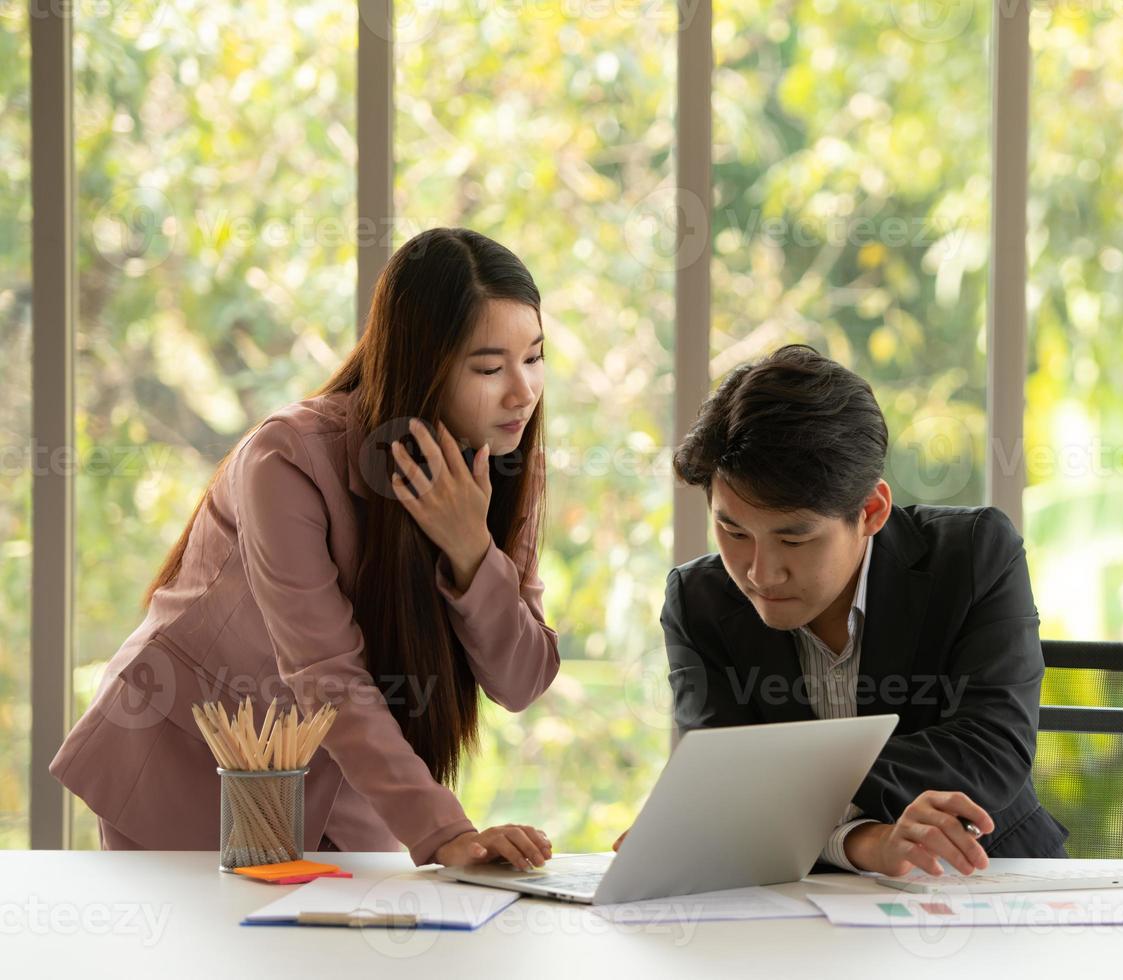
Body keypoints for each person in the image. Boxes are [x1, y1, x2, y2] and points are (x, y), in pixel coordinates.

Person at [52, 228, 559, 871]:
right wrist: (444, 830)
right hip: (190, 763)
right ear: (421, 364)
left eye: (535, 357)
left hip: (345, 784)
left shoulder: (505, 462)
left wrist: (471, 550)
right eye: (489, 367)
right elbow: (328, 678)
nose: (523, 391)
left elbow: (521, 680)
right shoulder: (288, 458)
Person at [657, 344, 1068, 876]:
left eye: (794, 539)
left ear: (871, 510)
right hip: (795, 910)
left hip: (994, 884)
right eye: (732, 531)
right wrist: (862, 841)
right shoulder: (699, 602)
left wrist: (768, 787)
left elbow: (989, 751)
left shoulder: (973, 555)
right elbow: (727, 789)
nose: (760, 572)